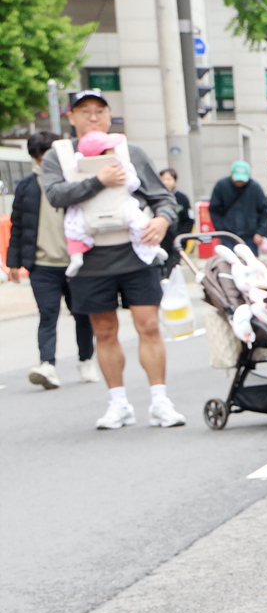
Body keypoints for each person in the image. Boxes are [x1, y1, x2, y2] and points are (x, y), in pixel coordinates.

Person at [40, 89, 183, 428]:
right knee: (103, 331)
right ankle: (118, 403)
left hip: (136, 252)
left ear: (109, 117)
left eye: (99, 111)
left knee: (148, 325)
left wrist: (162, 220)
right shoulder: (58, 156)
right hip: (89, 259)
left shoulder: (129, 152)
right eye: (84, 111)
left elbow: (163, 198)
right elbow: (56, 195)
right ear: (71, 117)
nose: (93, 117)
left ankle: (160, 400)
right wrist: (98, 181)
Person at [8, 130, 97, 388]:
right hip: (42, 265)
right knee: (47, 314)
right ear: (35, 159)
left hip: (76, 262)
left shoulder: (74, 181)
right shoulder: (26, 187)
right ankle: (47, 365)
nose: (45, 162)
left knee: (82, 314)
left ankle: (86, 361)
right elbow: (18, 226)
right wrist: (13, 262)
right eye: (41, 157)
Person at [207, 158, 267, 250]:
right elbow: (214, 209)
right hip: (228, 235)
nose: (239, 182)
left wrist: (261, 232)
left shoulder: (255, 187)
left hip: (250, 235)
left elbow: (266, 210)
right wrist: (221, 230)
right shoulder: (222, 185)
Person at [157, 166, 194, 257]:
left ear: (175, 180)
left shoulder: (182, 198)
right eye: (163, 179)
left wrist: (182, 236)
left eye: (169, 179)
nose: (166, 182)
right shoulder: (155, 198)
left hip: (178, 239)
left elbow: (189, 219)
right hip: (160, 240)